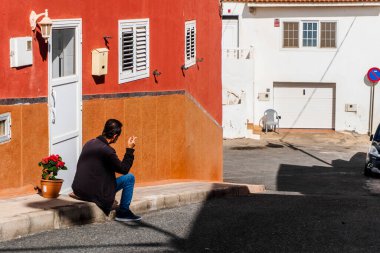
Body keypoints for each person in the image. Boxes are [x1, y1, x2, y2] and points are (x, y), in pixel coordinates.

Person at [71, 119, 141, 222]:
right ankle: (124, 212)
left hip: (79, 190)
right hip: (94, 193)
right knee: (129, 178)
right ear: (115, 136)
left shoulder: (89, 143)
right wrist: (130, 149)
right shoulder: (107, 151)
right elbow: (124, 169)